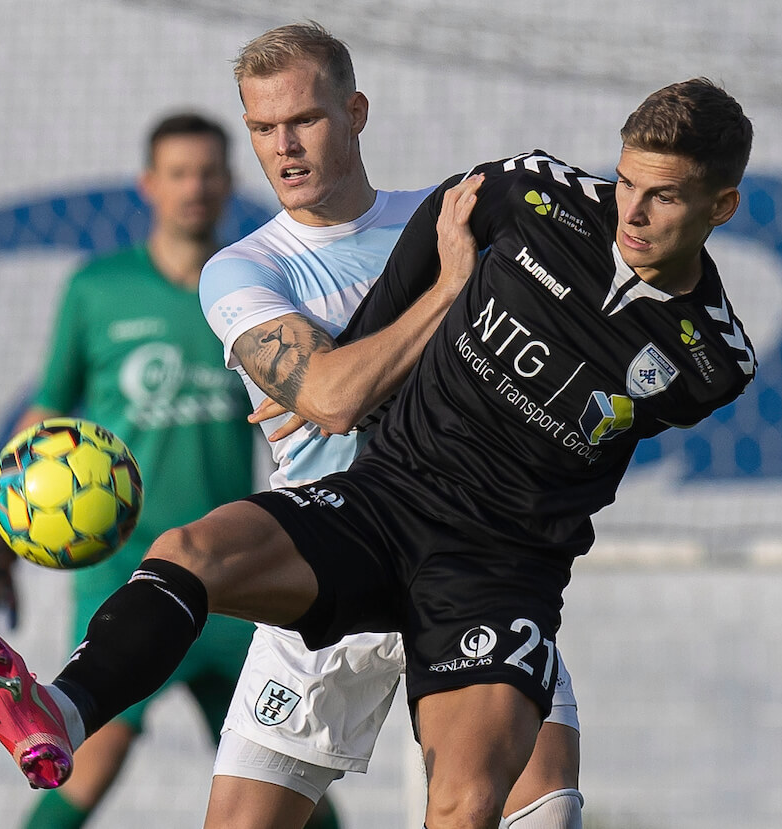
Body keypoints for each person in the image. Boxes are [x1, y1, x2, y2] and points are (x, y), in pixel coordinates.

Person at [0, 67, 756, 829]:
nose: (634, 212)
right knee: (192, 548)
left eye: (664, 196)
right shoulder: (533, 194)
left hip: (498, 567)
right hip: (383, 501)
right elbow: (414, 272)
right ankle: (60, 708)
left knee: (474, 807)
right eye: (626, 182)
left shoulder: (712, 365)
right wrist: (359, 360)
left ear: (721, 205)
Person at [195, 23, 583, 829]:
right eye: (262, 129)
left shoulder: (449, 221)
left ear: (356, 111)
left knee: (543, 814)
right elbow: (334, 398)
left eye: (303, 119)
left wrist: (347, 369)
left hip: (471, 560)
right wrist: (369, 360)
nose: (284, 147)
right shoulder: (246, 267)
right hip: (330, 556)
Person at [0, 112, 336, 829]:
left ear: (229, 181)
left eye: (207, 172)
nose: (195, 187)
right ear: (149, 185)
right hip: (126, 571)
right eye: (179, 173)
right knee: (85, 759)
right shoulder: (98, 290)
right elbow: (39, 426)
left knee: (292, 784)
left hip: (235, 570)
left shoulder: (251, 289)